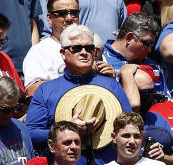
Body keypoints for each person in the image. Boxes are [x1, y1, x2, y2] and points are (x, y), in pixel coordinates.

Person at [25, 24, 132, 156]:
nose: (84, 52)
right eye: (76, 48)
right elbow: (31, 134)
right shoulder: (45, 90)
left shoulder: (112, 85)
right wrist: (66, 130)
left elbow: (130, 125)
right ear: (63, 53)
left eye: (89, 48)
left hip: (107, 163)